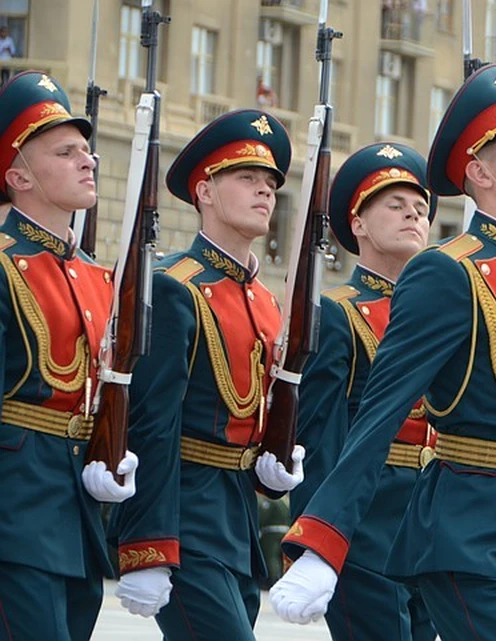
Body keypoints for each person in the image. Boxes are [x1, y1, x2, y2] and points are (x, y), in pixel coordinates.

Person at [270, 63, 496, 641]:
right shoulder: (445, 272)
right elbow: (377, 415)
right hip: (464, 532)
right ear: (480, 171)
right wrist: (323, 541)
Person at [109, 108, 305, 640]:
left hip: (236, 519)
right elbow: (153, 425)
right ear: (205, 192)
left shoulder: (267, 302)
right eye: (247, 179)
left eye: (270, 183)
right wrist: (147, 545)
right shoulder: (175, 286)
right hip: (186, 519)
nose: (265, 191)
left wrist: (278, 457)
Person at [0, 70, 137, 640]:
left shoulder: (101, 277)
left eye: (87, 149)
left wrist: (115, 455)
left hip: (77, 519)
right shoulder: (5, 265)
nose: (88, 161)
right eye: (65, 151)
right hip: (14, 514)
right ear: (18, 176)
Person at [289, 141, 438, 641]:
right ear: (358, 224)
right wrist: (319, 542)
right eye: (395, 206)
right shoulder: (338, 314)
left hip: (427, 528)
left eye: (420, 209)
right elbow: (320, 440)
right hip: (366, 527)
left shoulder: (442, 315)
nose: (412, 217)